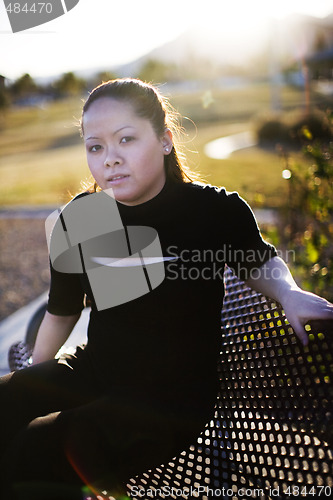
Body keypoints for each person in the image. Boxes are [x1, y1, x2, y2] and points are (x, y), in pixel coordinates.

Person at [0, 78, 332, 500]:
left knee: (38, 449)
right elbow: (61, 311)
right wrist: (36, 385)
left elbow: (260, 261)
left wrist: (288, 293)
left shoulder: (212, 210)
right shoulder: (80, 219)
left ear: (164, 140)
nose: (110, 159)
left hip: (170, 401)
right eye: (95, 146)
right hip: (96, 371)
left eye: (126, 139)